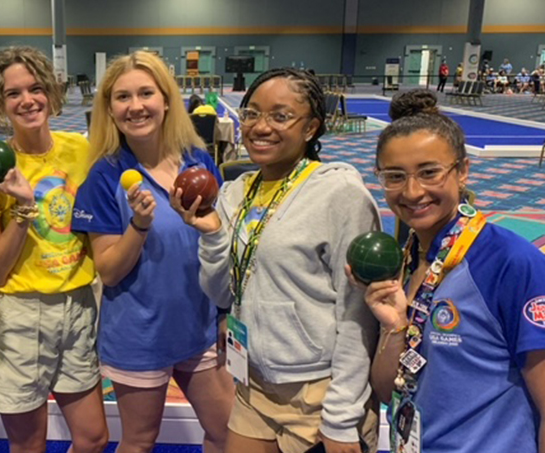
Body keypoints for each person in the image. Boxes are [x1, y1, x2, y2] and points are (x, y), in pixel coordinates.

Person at [172, 67, 381, 453]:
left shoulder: (340, 194)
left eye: (281, 116)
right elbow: (221, 292)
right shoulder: (236, 192)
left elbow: (357, 316)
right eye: (251, 113)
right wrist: (213, 233)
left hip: (319, 392)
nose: (260, 126)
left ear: (311, 128)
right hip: (253, 384)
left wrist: (341, 416)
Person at [351, 89, 545, 453]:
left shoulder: (510, 262)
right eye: (394, 176)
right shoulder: (405, 258)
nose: (412, 191)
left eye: (429, 173)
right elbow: (386, 390)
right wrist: (394, 327)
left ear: (463, 170)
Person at [71, 51, 234, 453]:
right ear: (109, 109)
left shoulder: (198, 162)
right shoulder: (105, 176)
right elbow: (108, 271)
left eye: (146, 93)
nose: (136, 106)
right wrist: (139, 225)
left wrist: (227, 311)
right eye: (122, 97)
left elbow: (218, 239)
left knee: (227, 431)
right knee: (140, 441)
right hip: (139, 334)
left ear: (166, 100)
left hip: (200, 327)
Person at [0, 46, 108, 453]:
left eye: (36, 88)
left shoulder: (81, 151)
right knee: (30, 446)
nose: (27, 100)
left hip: (79, 305)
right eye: (13, 93)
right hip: (21, 314)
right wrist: (23, 209)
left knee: (94, 438)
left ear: (52, 93)